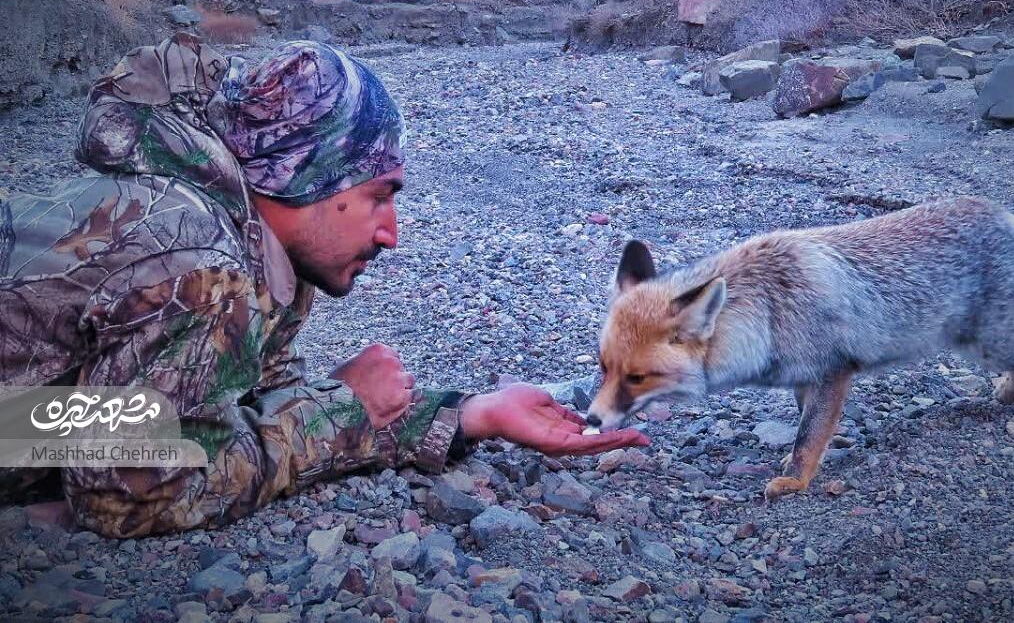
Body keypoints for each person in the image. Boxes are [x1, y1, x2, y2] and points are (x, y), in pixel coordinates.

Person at [0, 33, 646, 538]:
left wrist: (472, 415)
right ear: (307, 175)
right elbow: (136, 492)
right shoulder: (194, 257)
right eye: (378, 196)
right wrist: (343, 411)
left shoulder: (251, 245)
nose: (392, 233)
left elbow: (237, 412)